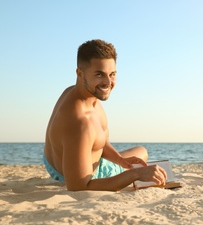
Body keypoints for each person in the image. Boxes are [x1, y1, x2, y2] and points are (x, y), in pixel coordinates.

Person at [43, 39, 167, 191]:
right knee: (142, 157)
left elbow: (96, 139)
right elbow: (78, 187)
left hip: (64, 163)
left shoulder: (81, 93)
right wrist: (135, 174)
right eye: (99, 74)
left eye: (112, 74)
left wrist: (120, 159)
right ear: (80, 73)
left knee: (141, 152)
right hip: (78, 176)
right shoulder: (80, 121)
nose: (108, 82)